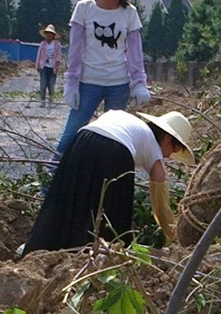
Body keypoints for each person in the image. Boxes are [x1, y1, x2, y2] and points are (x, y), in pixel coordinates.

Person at [23, 109, 194, 255]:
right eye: (174, 149)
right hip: (115, 151)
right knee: (112, 221)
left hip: (81, 141)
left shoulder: (131, 122)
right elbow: (160, 197)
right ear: (167, 138)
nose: (169, 156)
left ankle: (36, 250)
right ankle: (97, 260)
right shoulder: (153, 145)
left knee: (64, 201)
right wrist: (172, 234)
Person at [55, 0, 151, 159]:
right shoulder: (84, 8)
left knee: (113, 140)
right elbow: (75, 49)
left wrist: (139, 83)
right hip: (88, 82)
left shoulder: (129, 13)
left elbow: (135, 52)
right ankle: (51, 177)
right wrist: (71, 82)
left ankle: (104, 178)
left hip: (119, 85)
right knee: (70, 136)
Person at [35, 24, 63, 108]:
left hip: (52, 68)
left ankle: (51, 100)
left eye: (50, 33)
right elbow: (39, 55)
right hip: (44, 67)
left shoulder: (57, 45)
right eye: (47, 33)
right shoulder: (43, 44)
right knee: (43, 84)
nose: (48, 35)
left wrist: (57, 66)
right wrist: (37, 65)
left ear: (53, 35)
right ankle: (42, 101)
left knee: (51, 85)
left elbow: (59, 56)